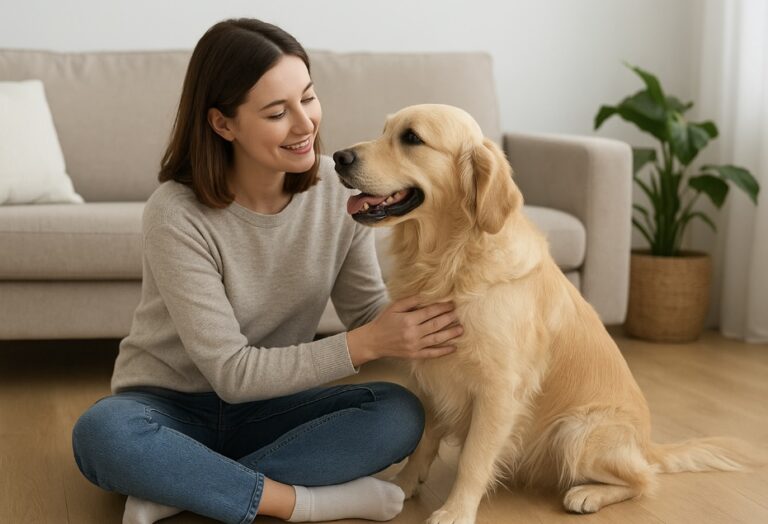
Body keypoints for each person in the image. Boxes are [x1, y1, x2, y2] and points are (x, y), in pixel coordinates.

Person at [71, 18, 463, 524]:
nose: (306, 125)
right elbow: (232, 374)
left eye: (309, 97)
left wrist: (455, 316)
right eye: (278, 112)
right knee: (102, 435)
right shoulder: (176, 213)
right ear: (223, 124)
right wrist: (370, 342)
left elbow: (369, 312)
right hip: (168, 409)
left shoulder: (335, 189)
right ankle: (300, 502)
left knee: (398, 413)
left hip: (274, 410)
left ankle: (184, 486)